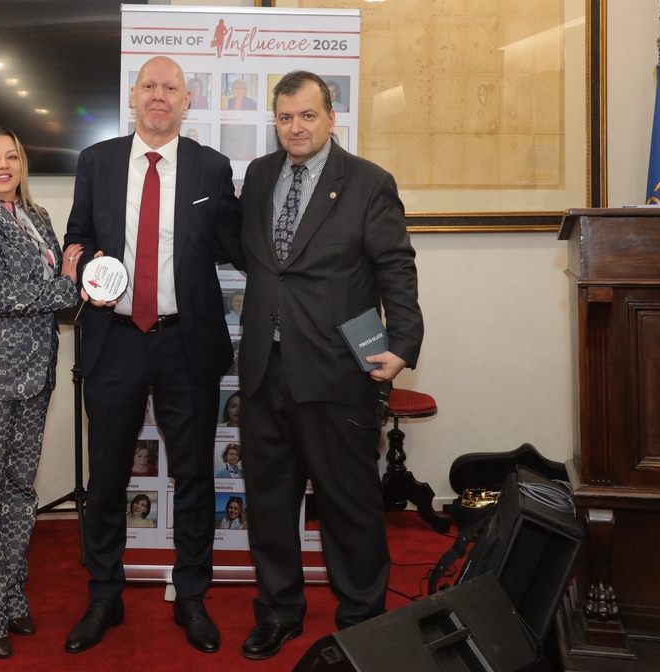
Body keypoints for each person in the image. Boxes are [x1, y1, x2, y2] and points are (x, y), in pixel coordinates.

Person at [237, 71, 423, 660]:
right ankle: (279, 612)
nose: (296, 128)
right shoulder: (259, 175)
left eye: (307, 115)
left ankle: (362, 623)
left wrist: (405, 341)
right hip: (264, 369)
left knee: (349, 506)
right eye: (285, 117)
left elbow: (396, 267)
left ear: (330, 117)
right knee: (269, 504)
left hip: (337, 370)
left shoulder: (368, 183)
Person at [63, 55, 244, 656]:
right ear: (133, 96)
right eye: (149, 86)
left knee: (193, 474)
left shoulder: (211, 168)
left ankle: (191, 594)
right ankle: (104, 595)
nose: (159, 96)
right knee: (107, 475)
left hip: (184, 342)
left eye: (171, 88)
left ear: (187, 101)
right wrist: (83, 267)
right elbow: (77, 237)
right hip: (114, 338)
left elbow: (238, 244)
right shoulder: (97, 161)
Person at [0, 125, 83, 659]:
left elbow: (57, 300)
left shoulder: (37, 216)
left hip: (34, 375)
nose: (3, 166)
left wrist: (74, 284)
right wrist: (65, 282)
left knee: (21, 495)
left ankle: (9, 598)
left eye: (11, 157)